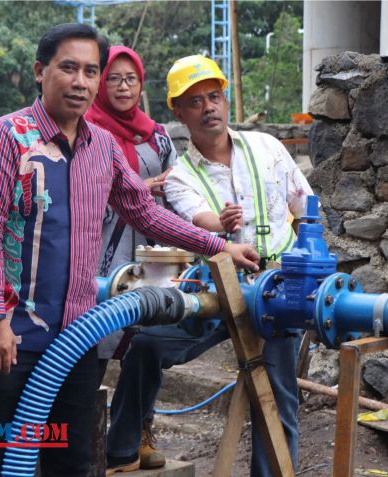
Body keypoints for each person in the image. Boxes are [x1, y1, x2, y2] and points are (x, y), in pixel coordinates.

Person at [0, 25, 259, 477]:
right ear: (41, 72)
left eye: (91, 71)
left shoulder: (102, 146)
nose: (81, 81)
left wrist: (220, 247)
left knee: (74, 462)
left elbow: (145, 213)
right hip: (11, 335)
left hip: (77, 338)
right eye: (68, 68)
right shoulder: (6, 137)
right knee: (6, 463)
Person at [106, 55, 313, 476]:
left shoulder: (267, 148)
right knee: (146, 347)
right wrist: (220, 227)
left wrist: (311, 266)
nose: (208, 108)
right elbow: (196, 219)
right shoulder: (180, 176)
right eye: (195, 101)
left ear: (226, 99)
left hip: (277, 294)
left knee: (277, 401)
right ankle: (122, 451)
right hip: (217, 291)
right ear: (178, 113)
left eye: (214, 97)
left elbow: (305, 208)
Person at [85, 46, 175, 277]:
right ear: (101, 82)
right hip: (100, 258)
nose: (123, 87)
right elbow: (79, 199)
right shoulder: (84, 134)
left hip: (155, 258)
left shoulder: (158, 137)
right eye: (113, 78)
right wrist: (136, 190)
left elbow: (177, 191)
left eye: (131, 78)